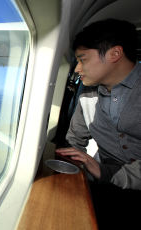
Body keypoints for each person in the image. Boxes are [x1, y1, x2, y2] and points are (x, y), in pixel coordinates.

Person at [55, 18, 141, 189]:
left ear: (115, 54)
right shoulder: (87, 96)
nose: (77, 69)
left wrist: (105, 173)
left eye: (83, 59)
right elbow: (74, 142)